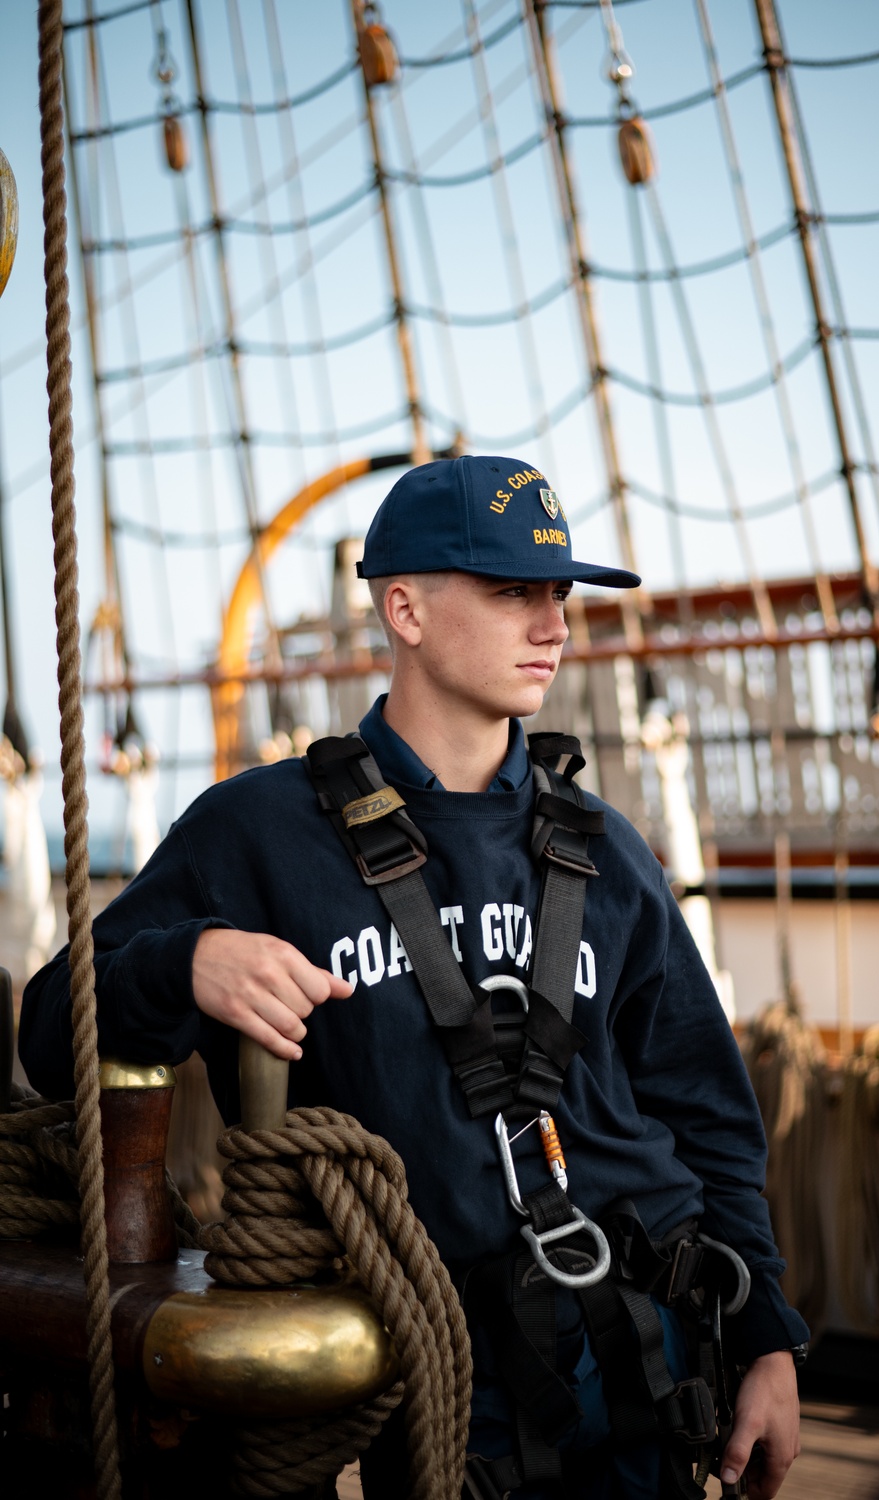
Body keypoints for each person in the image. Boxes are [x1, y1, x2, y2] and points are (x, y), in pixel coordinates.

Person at [19, 455, 808, 1499]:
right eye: (511, 591)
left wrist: (768, 1343)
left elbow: (705, 1111)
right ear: (406, 609)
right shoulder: (258, 834)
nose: (553, 625)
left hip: (649, 1374)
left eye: (559, 594)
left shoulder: (610, 852)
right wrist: (186, 961)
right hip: (445, 1389)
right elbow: (47, 1031)